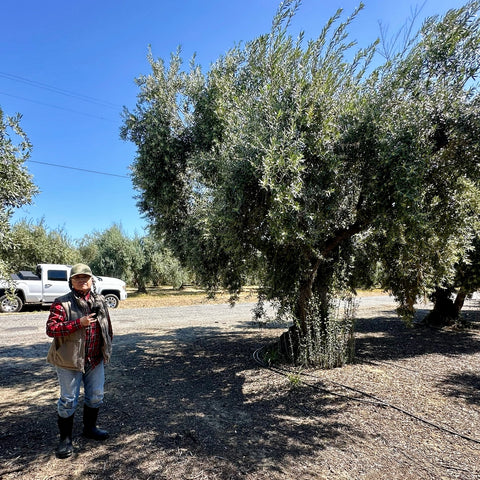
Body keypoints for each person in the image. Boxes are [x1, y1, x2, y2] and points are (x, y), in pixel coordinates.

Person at [46, 263, 113, 459]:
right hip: (70, 361)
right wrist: (78, 323)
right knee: (68, 400)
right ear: (71, 282)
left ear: (92, 280)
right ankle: (65, 440)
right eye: (77, 278)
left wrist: (107, 348)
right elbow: (51, 329)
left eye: (86, 277)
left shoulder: (99, 300)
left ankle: (89, 429)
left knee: (96, 396)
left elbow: (107, 326)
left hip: (95, 358)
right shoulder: (62, 303)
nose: (82, 280)